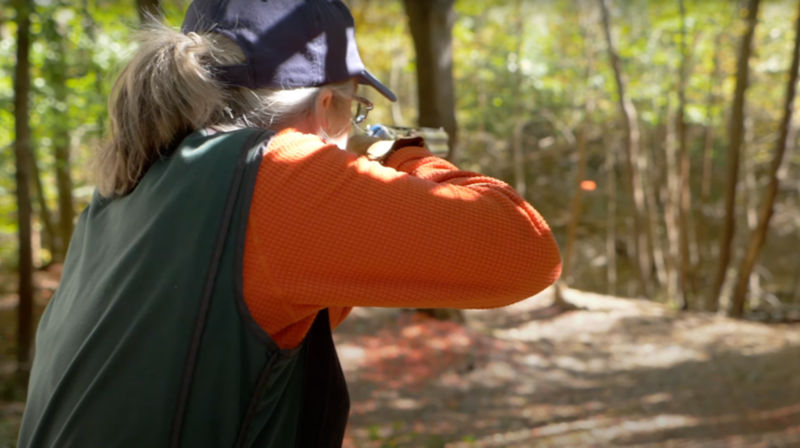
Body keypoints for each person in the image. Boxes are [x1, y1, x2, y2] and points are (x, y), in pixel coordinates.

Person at [17, 0, 562, 446]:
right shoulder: (277, 172)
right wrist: (405, 154)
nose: (353, 126)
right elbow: (527, 253)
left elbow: (278, 312)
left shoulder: (129, 188)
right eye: (355, 108)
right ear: (326, 104)